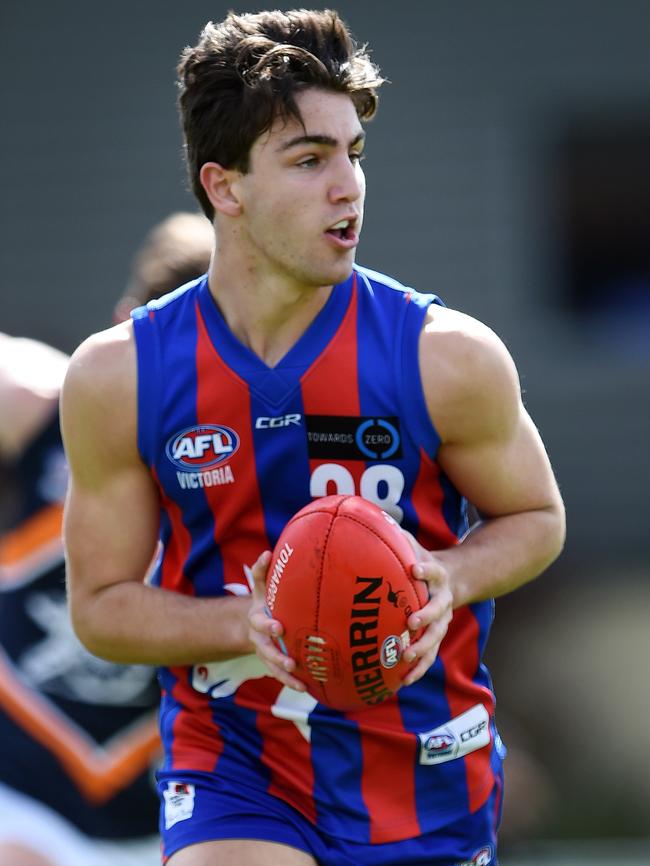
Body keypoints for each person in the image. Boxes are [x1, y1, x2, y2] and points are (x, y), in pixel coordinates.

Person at [60, 10, 565, 866]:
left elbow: (538, 519)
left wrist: (446, 576)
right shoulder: (121, 376)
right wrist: (245, 623)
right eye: (309, 160)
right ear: (225, 187)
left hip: (423, 766)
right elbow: (100, 609)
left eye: (352, 153)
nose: (348, 186)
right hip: (237, 762)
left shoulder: (448, 356)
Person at [0, 211, 213, 866]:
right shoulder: (39, 401)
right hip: (25, 796)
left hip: (186, 811)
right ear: (124, 328)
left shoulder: (287, 461)